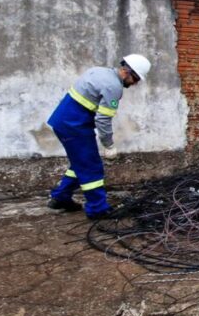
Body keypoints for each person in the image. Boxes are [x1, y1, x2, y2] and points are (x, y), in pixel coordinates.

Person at [45, 54, 151, 219]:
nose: (135, 83)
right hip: (74, 126)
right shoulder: (113, 87)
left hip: (63, 121)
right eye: (136, 79)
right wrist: (108, 145)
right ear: (127, 72)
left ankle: (61, 197)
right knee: (91, 167)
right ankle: (97, 209)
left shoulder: (98, 71)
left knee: (80, 163)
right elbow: (103, 119)